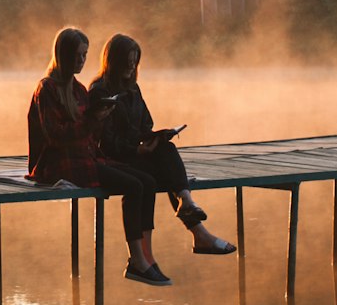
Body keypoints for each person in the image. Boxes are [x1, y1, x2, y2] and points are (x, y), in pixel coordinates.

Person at [27, 26, 172, 286]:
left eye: (85, 55)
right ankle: (136, 260)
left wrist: (101, 119)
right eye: (78, 55)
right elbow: (55, 136)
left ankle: (147, 257)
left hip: (86, 158)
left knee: (148, 181)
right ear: (64, 55)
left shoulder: (80, 90)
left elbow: (90, 137)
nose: (82, 60)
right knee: (133, 185)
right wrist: (91, 121)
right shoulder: (47, 89)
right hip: (60, 164)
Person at [89, 33, 235, 255]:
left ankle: (187, 204)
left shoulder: (133, 88)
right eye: (127, 62)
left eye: (135, 61)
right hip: (114, 159)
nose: (131, 66)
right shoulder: (100, 91)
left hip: (136, 153)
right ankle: (196, 231)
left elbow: (145, 122)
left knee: (166, 148)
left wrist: (155, 136)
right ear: (114, 61)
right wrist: (136, 148)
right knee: (163, 173)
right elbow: (105, 142)